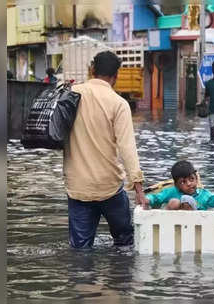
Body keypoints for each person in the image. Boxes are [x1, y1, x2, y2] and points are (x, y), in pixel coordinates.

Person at [64, 51, 148, 249]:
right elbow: (127, 149)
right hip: (109, 186)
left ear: (92, 70)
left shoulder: (70, 95)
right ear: (116, 76)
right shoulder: (118, 103)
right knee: (125, 244)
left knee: (80, 251)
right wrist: (138, 189)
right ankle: (120, 279)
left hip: (78, 188)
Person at [146, 160, 214, 210]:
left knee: (188, 202)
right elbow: (156, 197)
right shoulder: (171, 192)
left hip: (196, 228)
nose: (189, 184)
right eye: (183, 182)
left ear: (196, 179)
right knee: (174, 202)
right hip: (172, 227)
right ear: (177, 185)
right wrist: (147, 199)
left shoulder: (204, 195)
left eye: (191, 179)